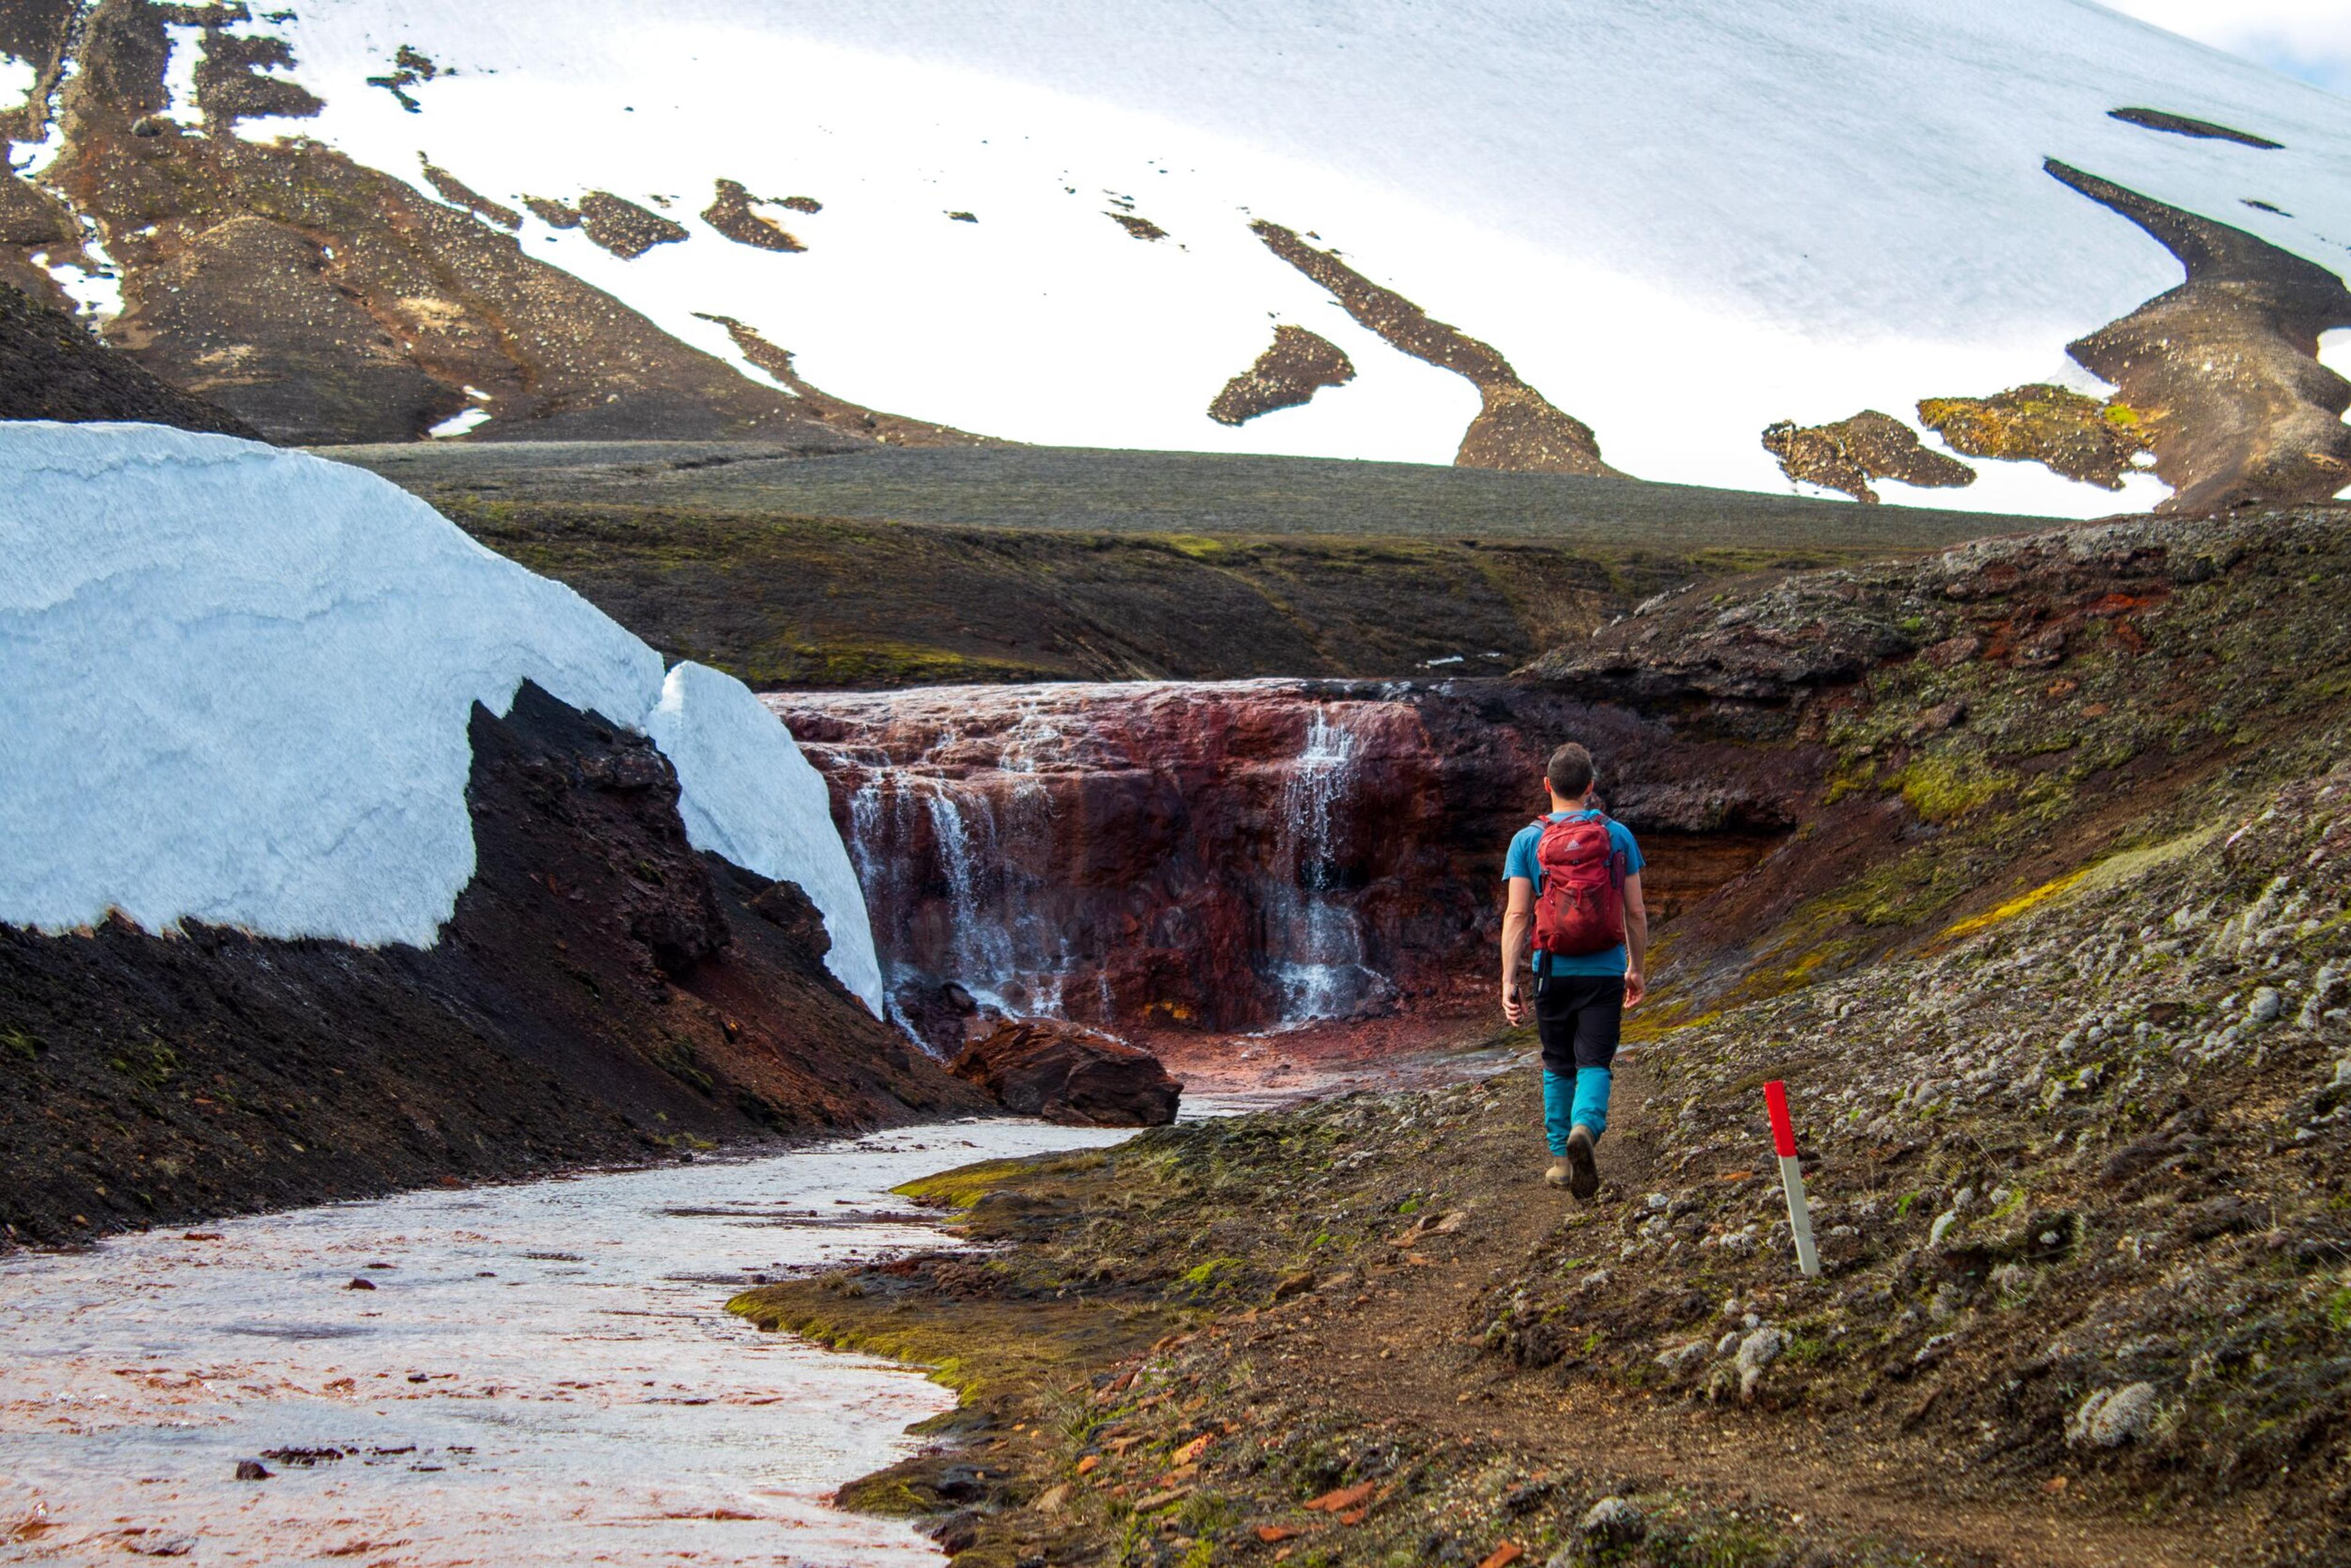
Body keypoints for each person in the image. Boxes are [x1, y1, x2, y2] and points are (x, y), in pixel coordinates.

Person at [1499, 741, 1647, 1200]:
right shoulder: (1617, 835)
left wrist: (1509, 980)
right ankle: (1585, 1127)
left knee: (1558, 1063)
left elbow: (1518, 915)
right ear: (1591, 787)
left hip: (1551, 970)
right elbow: (1636, 912)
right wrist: (1636, 968)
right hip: (1604, 969)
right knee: (1594, 1062)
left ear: (1547, 785)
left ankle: (1561, 1162)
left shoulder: (1527, 840)